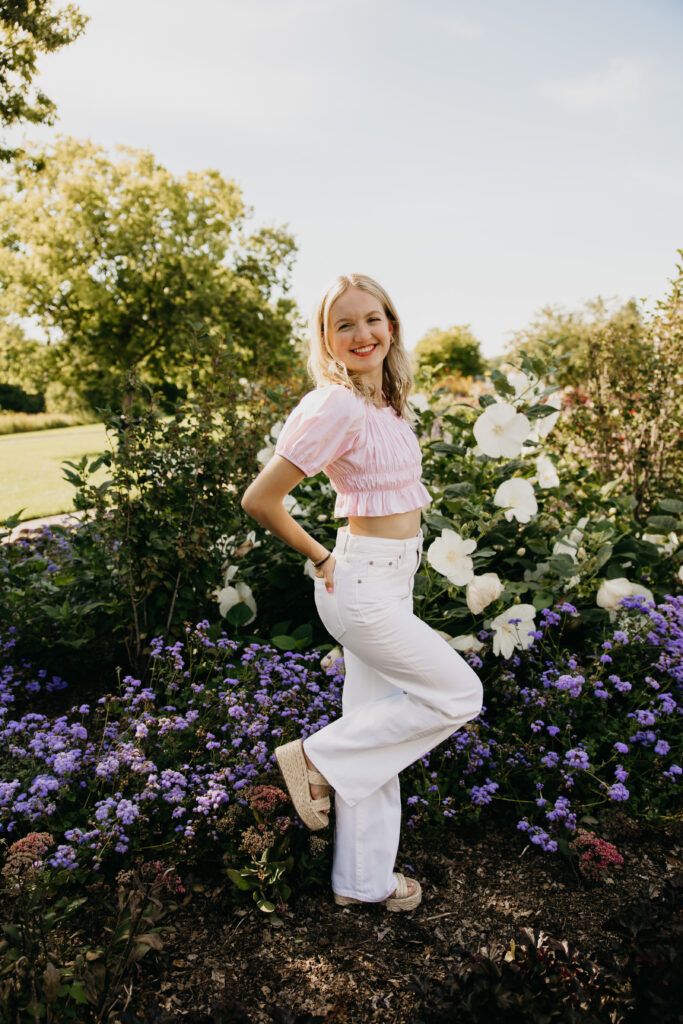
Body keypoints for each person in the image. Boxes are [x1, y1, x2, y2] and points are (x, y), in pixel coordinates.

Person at [241, 273, 483, 912]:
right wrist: (319, 554)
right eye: (342, 324)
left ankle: (361, 881)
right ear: (325, 338)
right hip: (361, 584)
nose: (361, 333)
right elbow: (261, 499)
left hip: (388, 580)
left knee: (375, 736)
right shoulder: (336, 404)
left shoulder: (384, 403)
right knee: (460, 693)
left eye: (371, 319)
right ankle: (315, 758)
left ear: (391, 324)